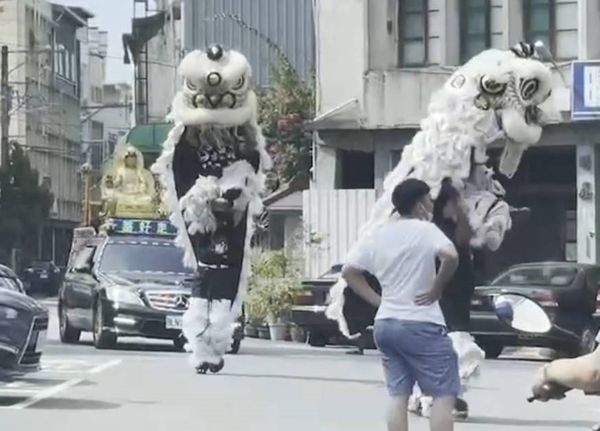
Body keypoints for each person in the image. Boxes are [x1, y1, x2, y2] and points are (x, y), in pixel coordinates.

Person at [342, 178, 460, 431]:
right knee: (443, 394)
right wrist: (437, 288)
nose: (431, 204)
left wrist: (378, 301)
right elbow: (450, 256)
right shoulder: (426, 229)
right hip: (422, 322)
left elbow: (349, 271)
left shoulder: (378, 233)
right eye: (429, 199)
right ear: (419, 204)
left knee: (398, 393)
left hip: (386, 323)